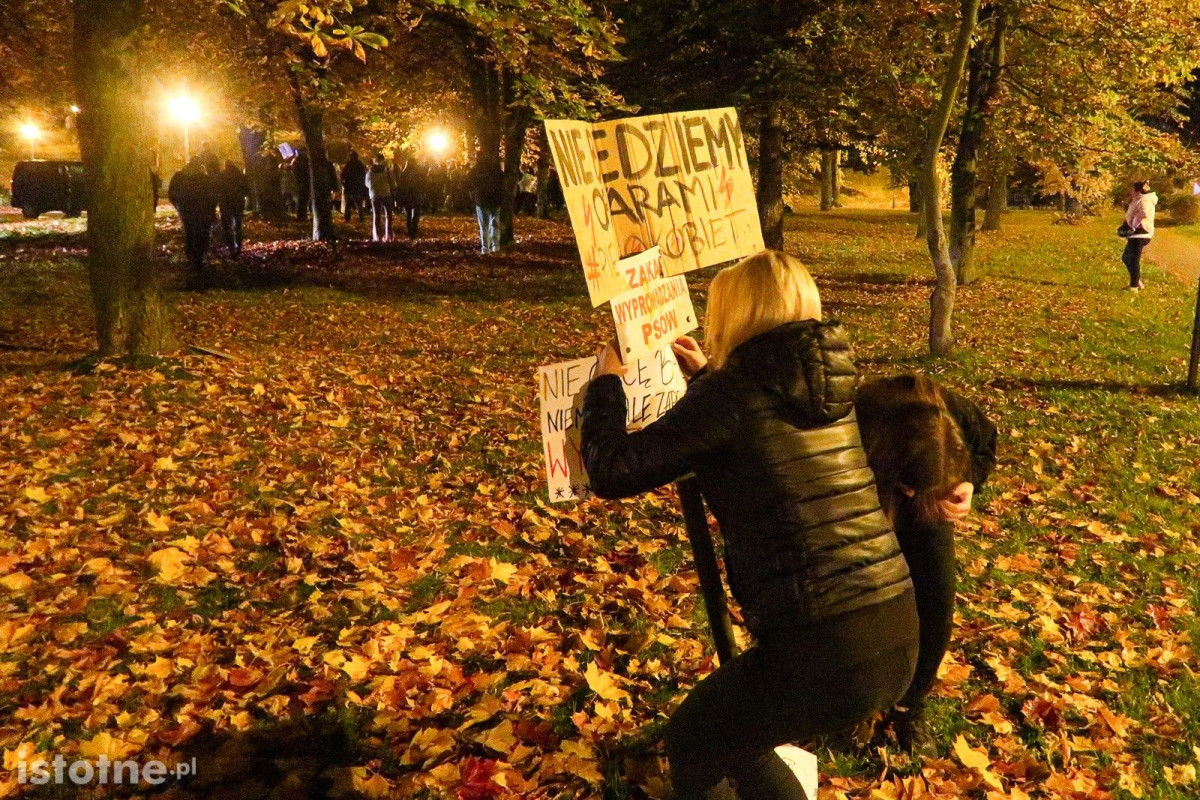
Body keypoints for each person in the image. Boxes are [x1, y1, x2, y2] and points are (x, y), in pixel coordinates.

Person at [581, 250, 918, 799]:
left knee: (696, 740)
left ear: (737, 314)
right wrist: (709, 379)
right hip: (894, 622)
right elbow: (763, 434)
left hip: (824, 643)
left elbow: (612, 469)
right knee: (737, 737)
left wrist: (606, 386)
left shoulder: (731, 396)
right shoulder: (828, 386)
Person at [854, 374, 997, 752]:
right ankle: (856, 699)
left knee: (935, 602)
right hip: (865, 505)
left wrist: (966, 481)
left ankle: (909, 706)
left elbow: (985, 445)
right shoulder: (857, 420)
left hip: (929, 513)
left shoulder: (954, 411)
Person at [168, 156, 218, 284]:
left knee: (190, 232)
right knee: (202, 233)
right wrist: (211, 210)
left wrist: (178, 205)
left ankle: (192, 256)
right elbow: (212, 196)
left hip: (186, 209)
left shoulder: (179, 176)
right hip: (202, 211)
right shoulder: (205, 178)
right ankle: (199, 258)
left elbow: (171, 193)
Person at [1121, 180, 1157, 291]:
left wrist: (1134, 224)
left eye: (1132, 189)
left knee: (1133, 259)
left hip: (1141, 234)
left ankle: (1134, 287)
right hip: (1136, 234)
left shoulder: (1144, 200)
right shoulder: (1138, 200)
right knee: (1126, 258)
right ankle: (1136, 282)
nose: (1131, 191)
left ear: (1137, 190)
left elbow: (1144, 213)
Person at [215, 161, 250, 257]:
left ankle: (231, 247)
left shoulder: (221, 175)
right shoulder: (240, 175)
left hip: (225, 202)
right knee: (238, 224)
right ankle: (239, 245)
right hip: (238, 202)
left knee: (227, 225)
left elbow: (216, 188)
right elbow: (246, 189)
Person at [471, 158, 503, 254]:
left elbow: (470, 179)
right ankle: (495, 246)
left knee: (484, 226)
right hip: (495, 200)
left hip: (482, 200)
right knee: (495, 224)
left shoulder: (478, 170)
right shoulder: (497, 171)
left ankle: (485, 249)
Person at [366, 155, 394, 243]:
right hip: (386, 193)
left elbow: (367, 184)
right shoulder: (387, 171)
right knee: (388, 216)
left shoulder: (369, 172)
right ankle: (389, 236)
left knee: (376, 216)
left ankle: (377, 237)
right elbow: (393, 182)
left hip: (374, 195)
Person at [341, 151, 368, 223]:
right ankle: (361, 219)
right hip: (358, 187)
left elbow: (342, 175)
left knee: (348, 205)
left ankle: (347, 219)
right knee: (359, 205)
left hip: (349, 187)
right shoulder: (361, 164)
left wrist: (344, 183)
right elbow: (364, 175)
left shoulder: (348, 164)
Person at [292, 150, 311, 223]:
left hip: (299, 183)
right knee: (303, 200)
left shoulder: (295, 163)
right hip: (304, 183)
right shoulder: (304, 163)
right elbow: (306, 173)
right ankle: (303, 215)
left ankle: (300, 215)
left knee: (301, 200)